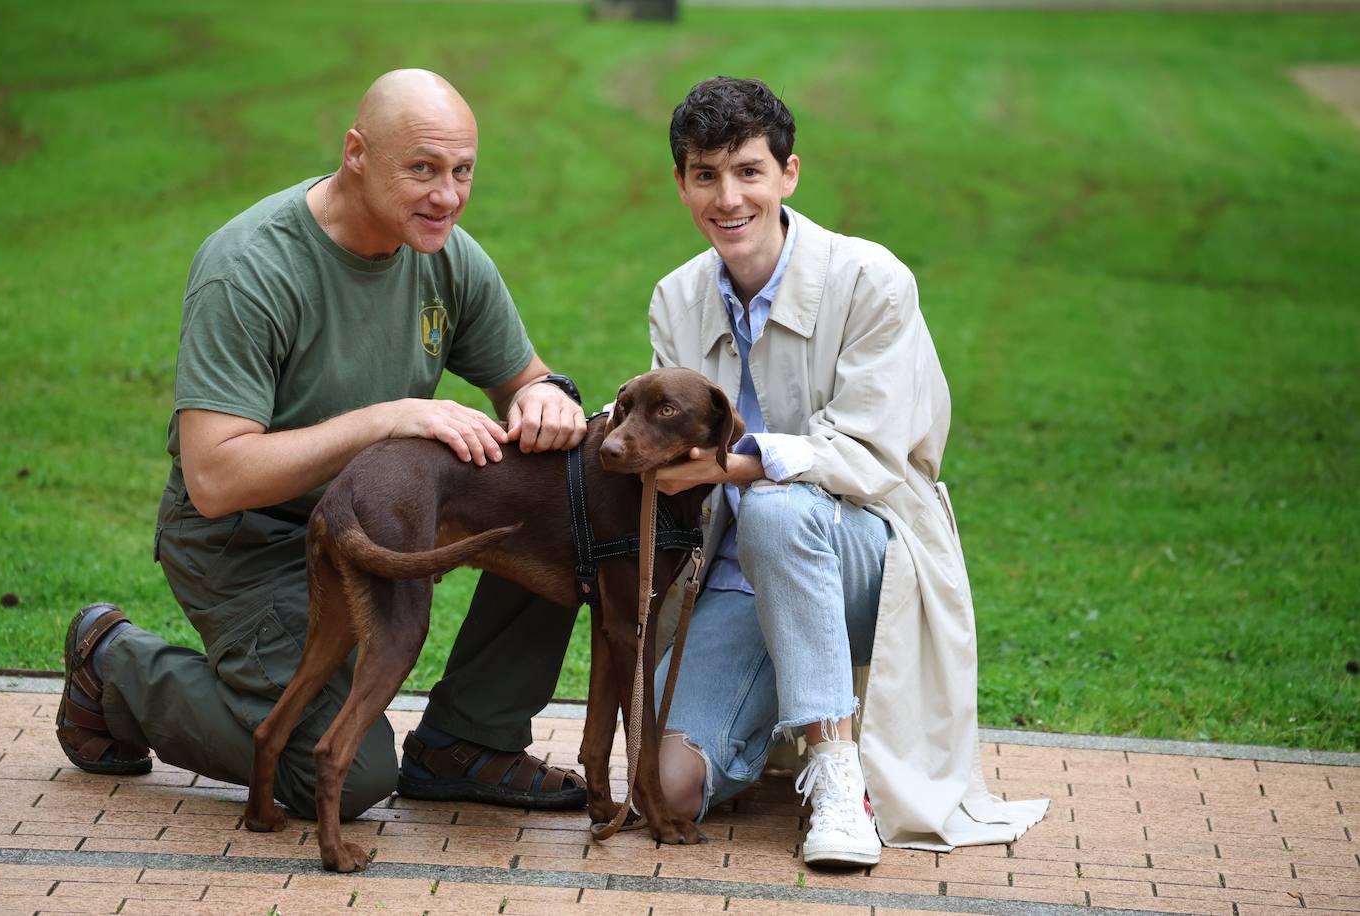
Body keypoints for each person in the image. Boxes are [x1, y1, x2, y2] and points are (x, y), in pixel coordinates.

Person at [54, 69, 593, 819]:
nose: (448, 195)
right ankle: (114, 664)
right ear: (356, 154)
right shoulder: (250, 268)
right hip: (249, 540)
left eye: (462, 171)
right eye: (423, 169)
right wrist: (385, 418)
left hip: (374, 526)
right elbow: (214, 477)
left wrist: (544, 396)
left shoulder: (445, 254)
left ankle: (470, 741)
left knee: (565, 501)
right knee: (348, 774)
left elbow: (528, 381)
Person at [647, 77, 1049, 866]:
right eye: (706, 175)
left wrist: (732, 466)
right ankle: (781, 716)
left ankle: (836, 774)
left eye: (749, 171)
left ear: (789, 174)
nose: (728, 198)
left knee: (776, 505)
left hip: (868, 556)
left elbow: (865, 454)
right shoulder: (676, 299)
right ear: (682, 183)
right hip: (733, 577)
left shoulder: (873, 281)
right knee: (665, 790)